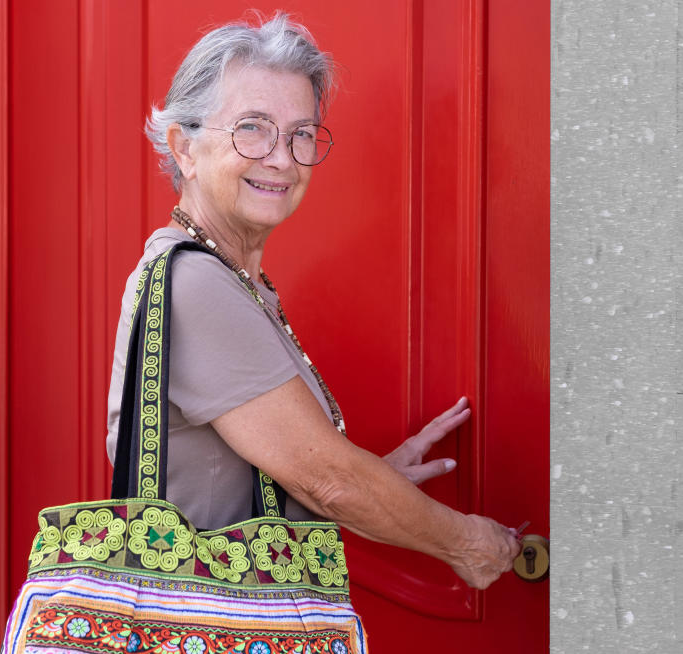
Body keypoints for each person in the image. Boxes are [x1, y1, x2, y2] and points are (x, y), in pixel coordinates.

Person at [106, 12, 520, 593]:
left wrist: (378, 480)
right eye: (252, 128)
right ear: (185, 148)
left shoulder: (238, 281)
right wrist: (467, 542)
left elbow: (286, 479)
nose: (282, 157)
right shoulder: (194, 283)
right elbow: (327, 481)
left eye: (302, 133)